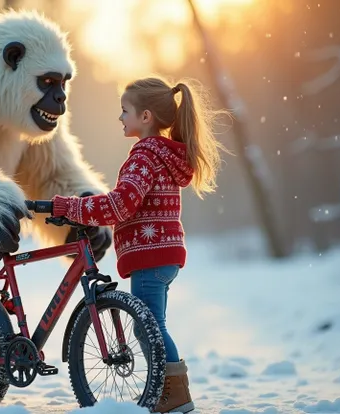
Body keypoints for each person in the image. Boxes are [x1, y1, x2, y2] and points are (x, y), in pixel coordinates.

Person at [50, 76, 228, 413]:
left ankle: (174, 395)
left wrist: (70, 207)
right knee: (149, 323)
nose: (120, 118)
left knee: (151, 326)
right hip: (164, 254)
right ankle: (171, 392)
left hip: (151, 256)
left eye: (124, 111)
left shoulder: (144, 155)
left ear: (145, 117)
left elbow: (120, 205)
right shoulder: (163, 154)